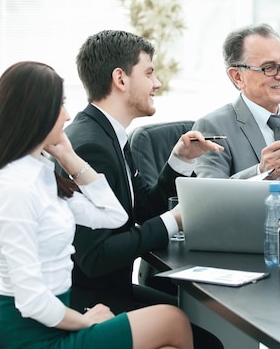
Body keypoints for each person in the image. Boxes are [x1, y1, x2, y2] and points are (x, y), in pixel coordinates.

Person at [0, 61, 193, 349]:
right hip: (30, 333)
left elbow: (112, 215)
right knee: (172, 320)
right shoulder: (16, 187)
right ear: (36, 113)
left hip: (54, 317)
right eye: (59, 105)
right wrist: (87, 321)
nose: (66, 116)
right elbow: (30, 300)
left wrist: (69, 157)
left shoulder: (41, 173)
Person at [64, 30, 224, 347]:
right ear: (120, 79)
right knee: (208, 342)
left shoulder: (110, 136)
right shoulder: (91, 147)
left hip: (108, 290)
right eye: (149, 72)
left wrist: (179, 161)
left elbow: (143, 210)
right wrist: (175, 221)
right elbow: (94, 257)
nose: (157, 84)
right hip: (85, 301)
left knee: (192, 320)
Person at [192, 23, 280, 200]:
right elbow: (209, 200)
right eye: (269, 67)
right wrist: (261, 172)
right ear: (237, 76)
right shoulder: (213, 127)